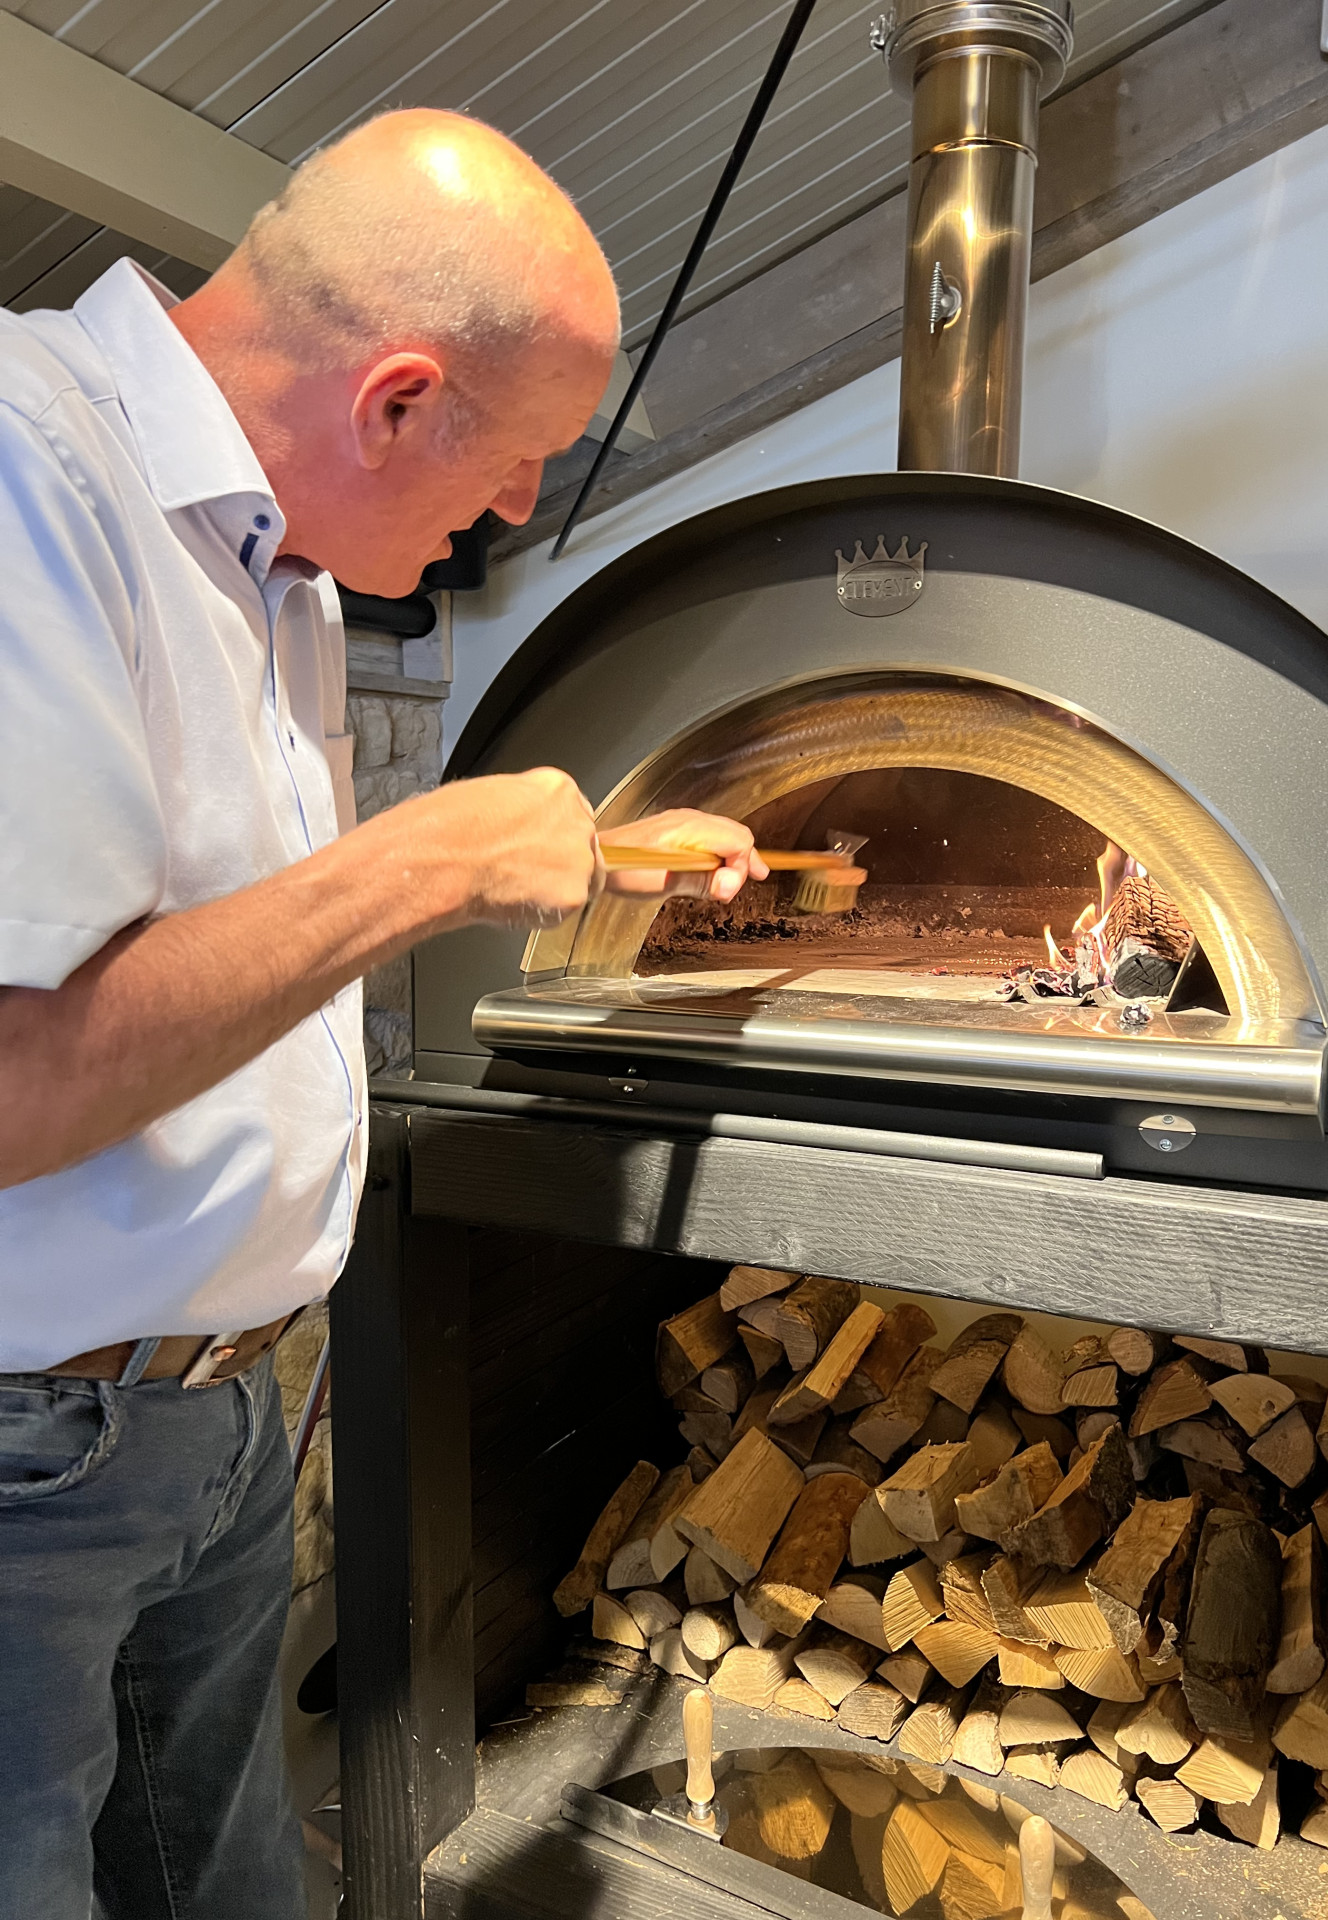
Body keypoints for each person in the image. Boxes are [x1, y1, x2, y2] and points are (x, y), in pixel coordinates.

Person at [0, 108, 764, 1917]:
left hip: (220, 1424)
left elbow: (224, 951)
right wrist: (429, 861)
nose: (515, 510)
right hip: (32, 1461)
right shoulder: (34, 473)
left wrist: (569, 862)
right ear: (399, 397)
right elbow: (21, 1083)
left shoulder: (285, 566)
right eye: (517, 460)